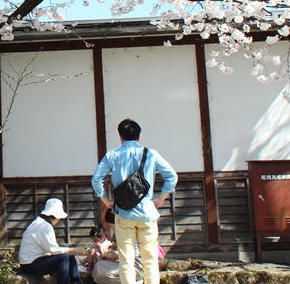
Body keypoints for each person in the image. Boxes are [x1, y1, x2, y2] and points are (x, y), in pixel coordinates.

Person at [91, 119, 177, 284]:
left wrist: (106, 200)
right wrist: (160, 198)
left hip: (124, 215)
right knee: (150, 260)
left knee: (126, 261)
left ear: (120, 136)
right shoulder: (151, 154)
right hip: (147, 214)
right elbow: (172, 176)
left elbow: (96, 180)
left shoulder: (112, 155)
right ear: (139, 136)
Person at [18, 198, 85, 284]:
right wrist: (74, 249)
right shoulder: (44, 226)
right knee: (63, 258)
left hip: (34, 260)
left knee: (70, 256)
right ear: (55, 216)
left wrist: (70, 251)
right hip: (30, 264)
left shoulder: (40, 223)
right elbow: (53, 250)